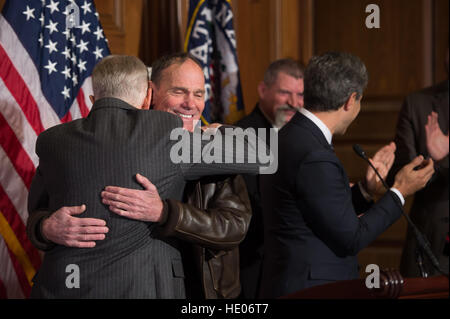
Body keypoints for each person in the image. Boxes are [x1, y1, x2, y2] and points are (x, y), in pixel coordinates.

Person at [26, 54, 262, 298]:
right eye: (179, 92)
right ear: (150, 93)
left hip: (200, 290)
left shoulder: (218, 149)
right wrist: (45, 227)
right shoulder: (152, 134)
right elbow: (38, 213)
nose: (190, 103)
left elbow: (235, 226)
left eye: (199, 94)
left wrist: (166, 213)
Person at [258, 51, 435, 298]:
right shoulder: (314, 154)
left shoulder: (289, 137)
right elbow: (351, 237)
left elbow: (319, 210)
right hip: (311, 290)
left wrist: (365, 190)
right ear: (351, 100)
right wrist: (400, 191)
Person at [235, 58, 304, 298]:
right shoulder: (241, 136)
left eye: (300, 95)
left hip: (295, 269)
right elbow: (247, 208)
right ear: (263, 90)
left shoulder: (304, 137)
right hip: (255, 269)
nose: (294, 103)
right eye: (285, 93)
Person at [387, 70, 448, 277]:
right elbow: (402, 172)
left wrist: (443, 159)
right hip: (430, 243)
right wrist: (435, 160)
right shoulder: (418, 103)